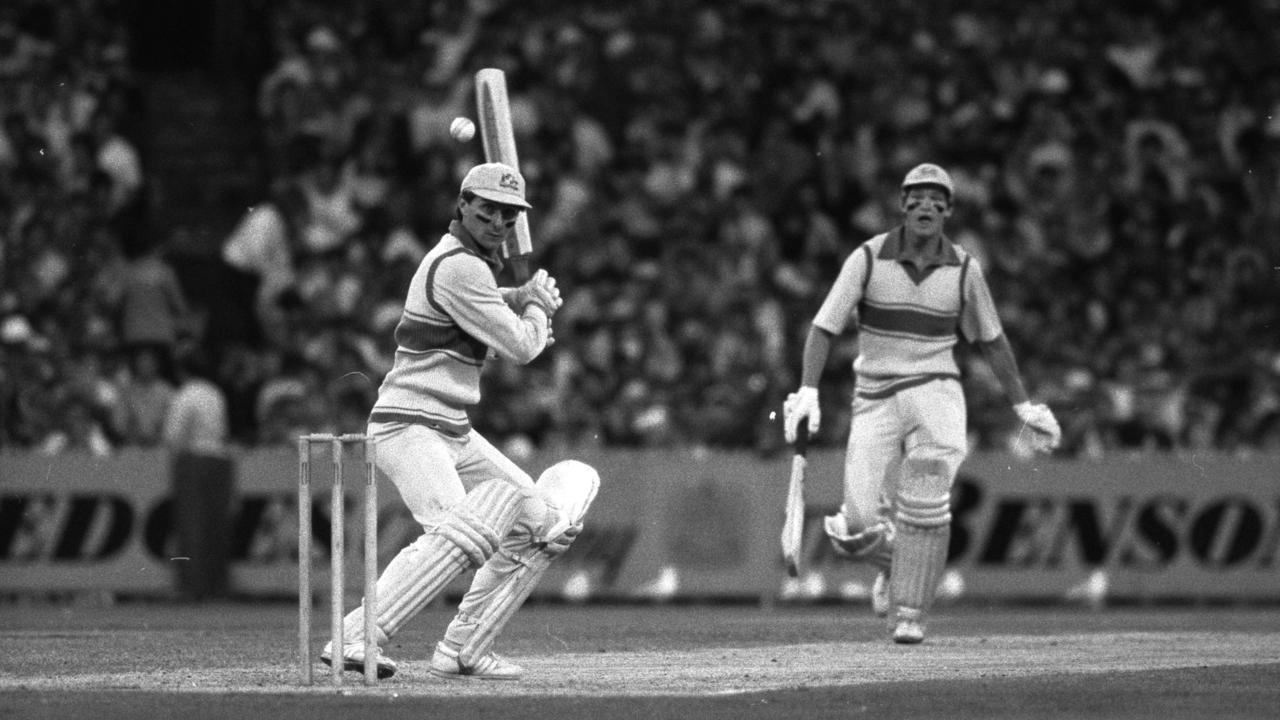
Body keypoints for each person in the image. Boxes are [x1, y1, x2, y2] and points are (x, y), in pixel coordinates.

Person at [321, 162, 599, 680]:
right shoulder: (459, 266)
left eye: (508, 214)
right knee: (459, 535)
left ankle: (464, 649)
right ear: (464, 206)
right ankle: (355, 638)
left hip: (451, 428)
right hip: (409, 425)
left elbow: (486, 312)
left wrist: (518, 300)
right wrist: (536, 308)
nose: (498, 221)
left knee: (540, 526)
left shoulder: (471, 266)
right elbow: (521, 347)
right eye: (488, 210)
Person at [782, 163, 1060, 644]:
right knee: (855, 528)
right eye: (917, 196)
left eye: (937, 199)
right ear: (902, 204)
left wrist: (1023, 406)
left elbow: (992, 341)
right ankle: (899, 566)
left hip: (937, 391)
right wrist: (807, 389)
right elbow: (824, 326)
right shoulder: (867, 259)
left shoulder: (966, 269)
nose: (926, 205)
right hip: (874, 397)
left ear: (949, 210)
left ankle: (910, 612)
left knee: (926, 500)